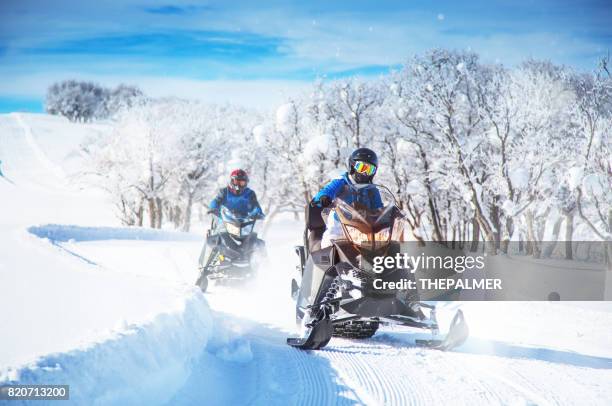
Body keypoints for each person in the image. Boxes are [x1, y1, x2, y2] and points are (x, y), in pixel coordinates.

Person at [308, 147, 381, 251]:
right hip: (339, 227)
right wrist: (323, 197)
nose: (365, 173)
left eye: (369, 170)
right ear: (353, 166)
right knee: (329, 246)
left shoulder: (372, 190)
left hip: (364, 230)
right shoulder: (342, 181)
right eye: (362, 167)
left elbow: (379, 208)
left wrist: (387, 214)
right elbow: (327, 190)